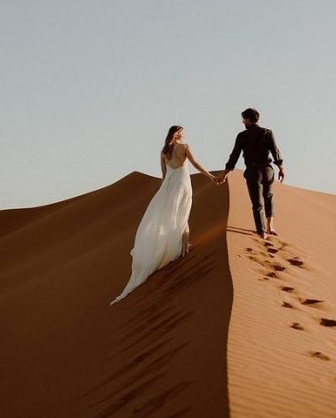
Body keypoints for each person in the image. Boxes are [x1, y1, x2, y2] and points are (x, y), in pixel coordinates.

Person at [110, 125, 216, 304]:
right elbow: (195, 164)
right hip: (182, 183)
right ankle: (183, 248)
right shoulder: (184, 147)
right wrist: (211, 176)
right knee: (184, 211)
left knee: (174, 214)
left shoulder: (164, 152)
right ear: (179, 134)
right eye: (183, 133)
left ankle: (181, 245)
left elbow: (163, 174)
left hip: (168, 186)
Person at [218, 108, 285, 240]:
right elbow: (275, 151)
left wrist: (225, 173)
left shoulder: (242, 136)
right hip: (267, 170)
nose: (243, 122)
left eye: (244, 119)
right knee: (269, 197)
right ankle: (270, 226)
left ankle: (261, 231)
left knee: (257, 202)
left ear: (248, 120)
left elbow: (234, 156)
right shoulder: (267, 132)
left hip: (253, 171)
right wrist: (281, 168)